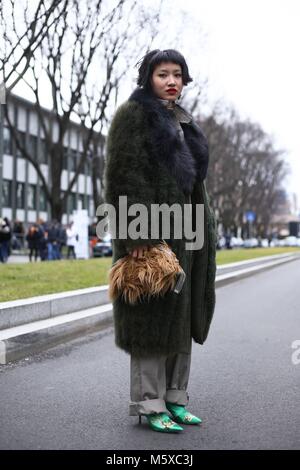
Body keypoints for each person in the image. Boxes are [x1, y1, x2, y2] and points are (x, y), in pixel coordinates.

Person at [104, 49, 217, 433]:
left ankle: (175, 399)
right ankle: (150, 404)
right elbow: (123, 174)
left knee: (181, 318)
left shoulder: (184, 122)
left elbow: (192, 184)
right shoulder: (133, 117)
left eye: (177, 75)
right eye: (162, 74)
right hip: (149, 233)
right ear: (147, 78)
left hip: (187, 235)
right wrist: (138, 234)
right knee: (152, 319)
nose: (171, 81)